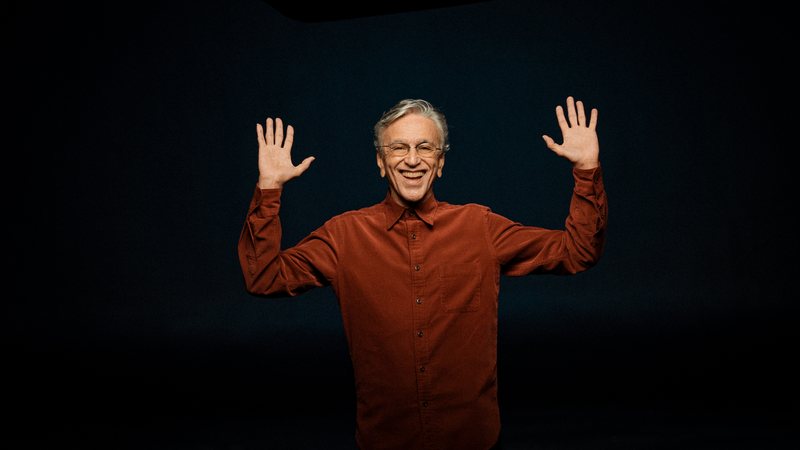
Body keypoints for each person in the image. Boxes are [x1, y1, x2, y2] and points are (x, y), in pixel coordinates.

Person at [237, 97, 607, 449]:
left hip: (473, 441)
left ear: (441, 162)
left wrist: (586, 168)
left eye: (425, 148)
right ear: (381, 162)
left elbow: (577, 251)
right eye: (398, 148)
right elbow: (264, 276)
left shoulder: (480, 226)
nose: (412, 159)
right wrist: (269, 188)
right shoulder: (343, 235)